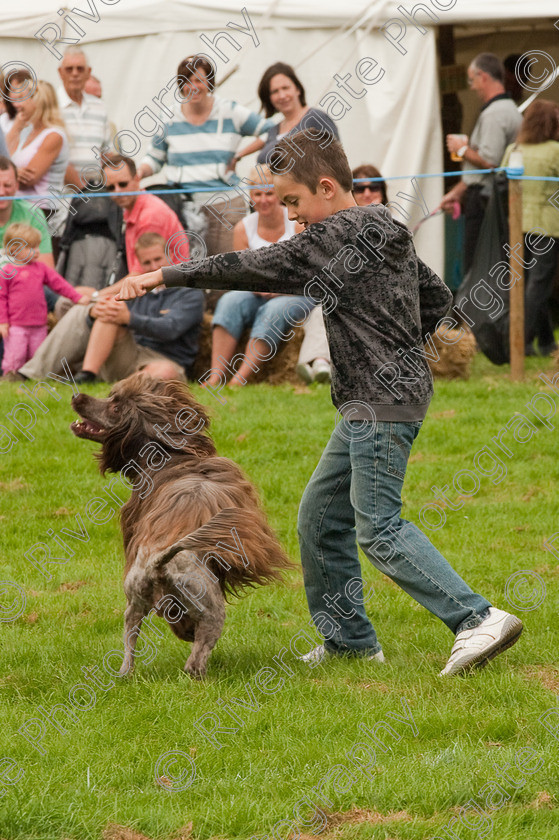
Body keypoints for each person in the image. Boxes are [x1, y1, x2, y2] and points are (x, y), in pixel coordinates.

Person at [117, 131, 523, 677]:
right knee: (319, 517)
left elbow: (249, 265)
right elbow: (438, 302)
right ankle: (350, 641)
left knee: (378, 526)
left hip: (381, 401)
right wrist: (395, 338)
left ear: (327, 188)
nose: (291, 216)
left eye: (292, 202)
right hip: (378, 399)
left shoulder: (337, 233)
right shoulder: (387, 227)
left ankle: (477, 618)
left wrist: (161, 275)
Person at [18, 233, 204, 384]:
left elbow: (170, 329)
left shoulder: (189, 292)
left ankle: (118, 390)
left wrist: (129, 318)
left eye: (158, 259)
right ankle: (79, 375)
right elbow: (113, 308)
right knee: (104, 310)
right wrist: (94, 312)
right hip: (130, 353)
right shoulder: (137, 286)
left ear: (170, 256)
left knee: (164, 372)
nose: (153, 266)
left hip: (166, 360)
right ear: (139, 264)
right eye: (146, 263)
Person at [138, 55, 272, 255]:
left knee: (226, 275)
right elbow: (155, 159)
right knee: (187, 275)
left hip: (225, 207)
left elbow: (270, 131)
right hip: (183, 210)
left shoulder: (229, 111)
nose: (193, 86)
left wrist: (240, 154)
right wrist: (138, 173)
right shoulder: (168, 117)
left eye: (199, 80)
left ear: (209, 82)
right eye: (187, 81)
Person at [205, 166, 314, 387]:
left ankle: (240, 378)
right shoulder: (243, 228)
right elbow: (241, 274)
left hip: (296, 292)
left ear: (279, 195)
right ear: (251, 197)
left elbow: (307, 272)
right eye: (257, 194)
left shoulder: (296, 223)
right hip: (257, 291)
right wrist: (258, 287)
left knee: (273, 310)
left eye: (269, 193)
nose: (263, 200)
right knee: (229, 301)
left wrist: (277, 288)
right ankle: (215, 376)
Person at [297, 163, 387, 384]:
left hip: (377, 297)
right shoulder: (336, 225)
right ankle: (320, 363)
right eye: (361, 188)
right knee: (323, 308)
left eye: (373, 188)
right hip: (337, 292)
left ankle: (318, 362)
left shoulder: (392, 225)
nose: (367, 193)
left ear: (383, 192)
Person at [441, 53, 522, 272]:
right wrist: (457, 192)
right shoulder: (509, 109)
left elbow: (489, 161)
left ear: (483, 76)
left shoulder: (495, 114)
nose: (472, 87)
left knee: (476, 263)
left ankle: (475, 306)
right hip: (494, 196)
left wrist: (462, 149)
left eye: (472, 80)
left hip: (485, 200)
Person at [502, 100, 559, 357]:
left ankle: (546, 342)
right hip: (548, 226)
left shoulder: (515, 148)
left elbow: (501, 180)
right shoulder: (555, 150)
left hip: (516, 225)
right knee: (539, 284)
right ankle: (520, 342)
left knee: (525, 284)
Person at [0, 223, 89, 378]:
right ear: (13, 249)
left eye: (37, 247)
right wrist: (3, 321)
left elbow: (60, 285)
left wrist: (77, 298)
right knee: (15, 355)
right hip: (16, 326)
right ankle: (11, 378)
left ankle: (36, 380)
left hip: (39, 324)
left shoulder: (41, 268)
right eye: (31, 247)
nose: (37, 252)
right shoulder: (7, 271)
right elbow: (2, 298)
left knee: (38, 355)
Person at [230, 62, 339, 171]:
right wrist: (237, 156)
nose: (282, 96)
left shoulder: (316, 118)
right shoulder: (273, 131)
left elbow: (336, 161)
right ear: (269, 98)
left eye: (285, 88)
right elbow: (262, 140)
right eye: (275, 91)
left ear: (297, 89)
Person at [102, 154, 187, 274]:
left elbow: (142, 274)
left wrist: (98, 294)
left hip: (170, 289)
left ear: (137, 179)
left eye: (123, 184)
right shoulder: (132, 210)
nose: (118, 192)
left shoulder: (149, 216)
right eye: (111, 187)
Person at [7, 80, 69, 244]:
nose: (17, 105)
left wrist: (10, 173)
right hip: (18, 207)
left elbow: (29, 179)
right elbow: (3, 161)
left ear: (38, 102)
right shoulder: (26, 132)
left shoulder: (54, 136)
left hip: (40, 210)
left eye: (23, 99)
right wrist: (16, 128)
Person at [57, 47, 112, 189]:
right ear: (60, 73)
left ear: (88, 73)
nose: (75, 73)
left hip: (95, 191)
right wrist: (84, 192)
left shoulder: (100, 107)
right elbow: (55, 157)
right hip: (60, 195)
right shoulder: (51, 105)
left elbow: (106, 153)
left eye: (80, 69)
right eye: (69, 69)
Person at [0, 156, 54, 268]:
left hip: (22, 281)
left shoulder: (32, 213)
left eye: (7, 185)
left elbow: (46, 268)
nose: (1, 192)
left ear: (16, 186)